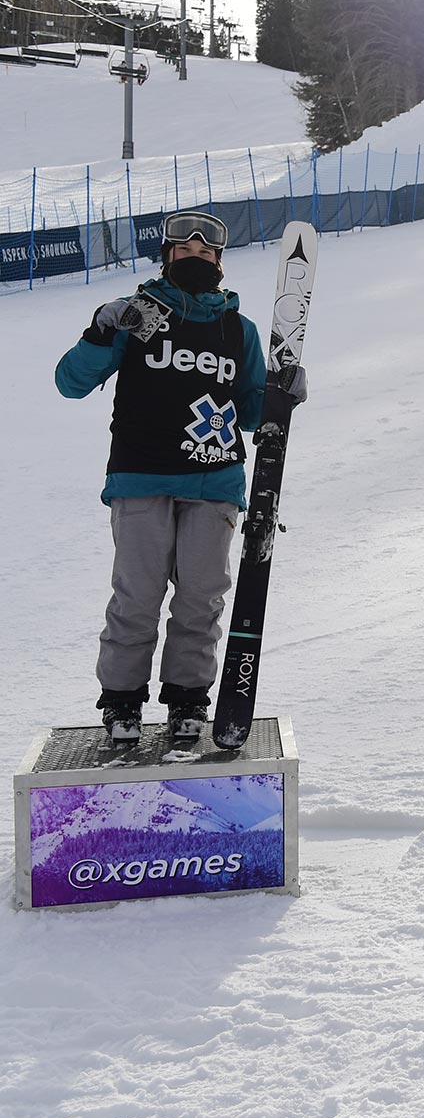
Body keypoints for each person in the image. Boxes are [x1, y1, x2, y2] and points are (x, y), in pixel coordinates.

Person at [55, 210, 273, 742]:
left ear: (219, 263)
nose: (195, 259)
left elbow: (250, 411)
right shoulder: (139, 315)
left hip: (214, 480)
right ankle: (122, 702)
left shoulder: (236, 329)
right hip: (142, 474)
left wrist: (280, 397)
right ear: (167, 257)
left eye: (205, 254)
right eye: (185, 252)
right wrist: (102, 330)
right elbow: (71, 382)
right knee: (137, 596)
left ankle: (187, 700)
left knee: (201, 599)